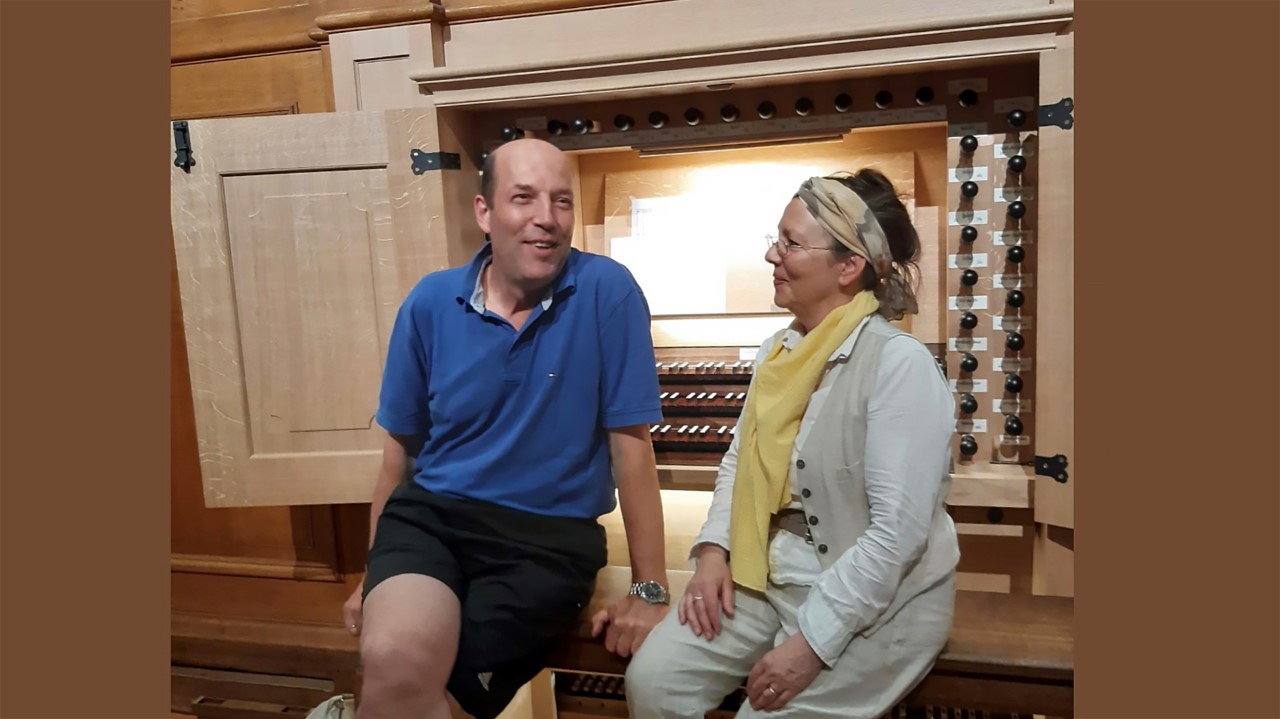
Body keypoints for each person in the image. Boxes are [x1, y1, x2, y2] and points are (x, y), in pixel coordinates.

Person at [343, 138, 672, 719]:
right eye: (523, 198)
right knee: (393, 656)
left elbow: (632, 450)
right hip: (432, 522)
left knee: (448, 698)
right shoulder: (429, 303)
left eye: (562, 200)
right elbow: (399, 458)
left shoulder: (606, 291)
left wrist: (649, 590)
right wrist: (375, 575)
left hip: (545, 543)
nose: (546, 218)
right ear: (484, 212)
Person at [624, 169, 960, 719]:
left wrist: (810, 645)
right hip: (769, 572)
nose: (771, 257)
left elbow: (895, 537)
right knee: (654, 682)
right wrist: (713, 553)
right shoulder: (777, 351)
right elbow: (741, 461)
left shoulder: (900, 366)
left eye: (791, 244)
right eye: (775, 239)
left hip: (879, 601)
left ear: (849, 266)